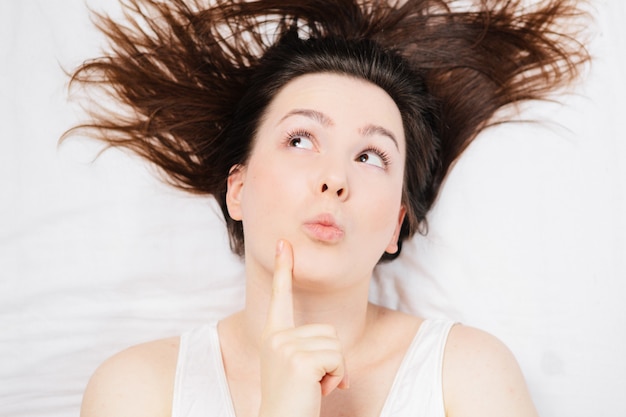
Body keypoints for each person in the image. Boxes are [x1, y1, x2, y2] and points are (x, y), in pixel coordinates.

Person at [65, 0, 588, 416]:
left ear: (395, 226)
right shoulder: (136, 389)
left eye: (370, 155)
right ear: (238, 190)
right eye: (300, 139)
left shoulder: (468, 372)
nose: (335, 178)